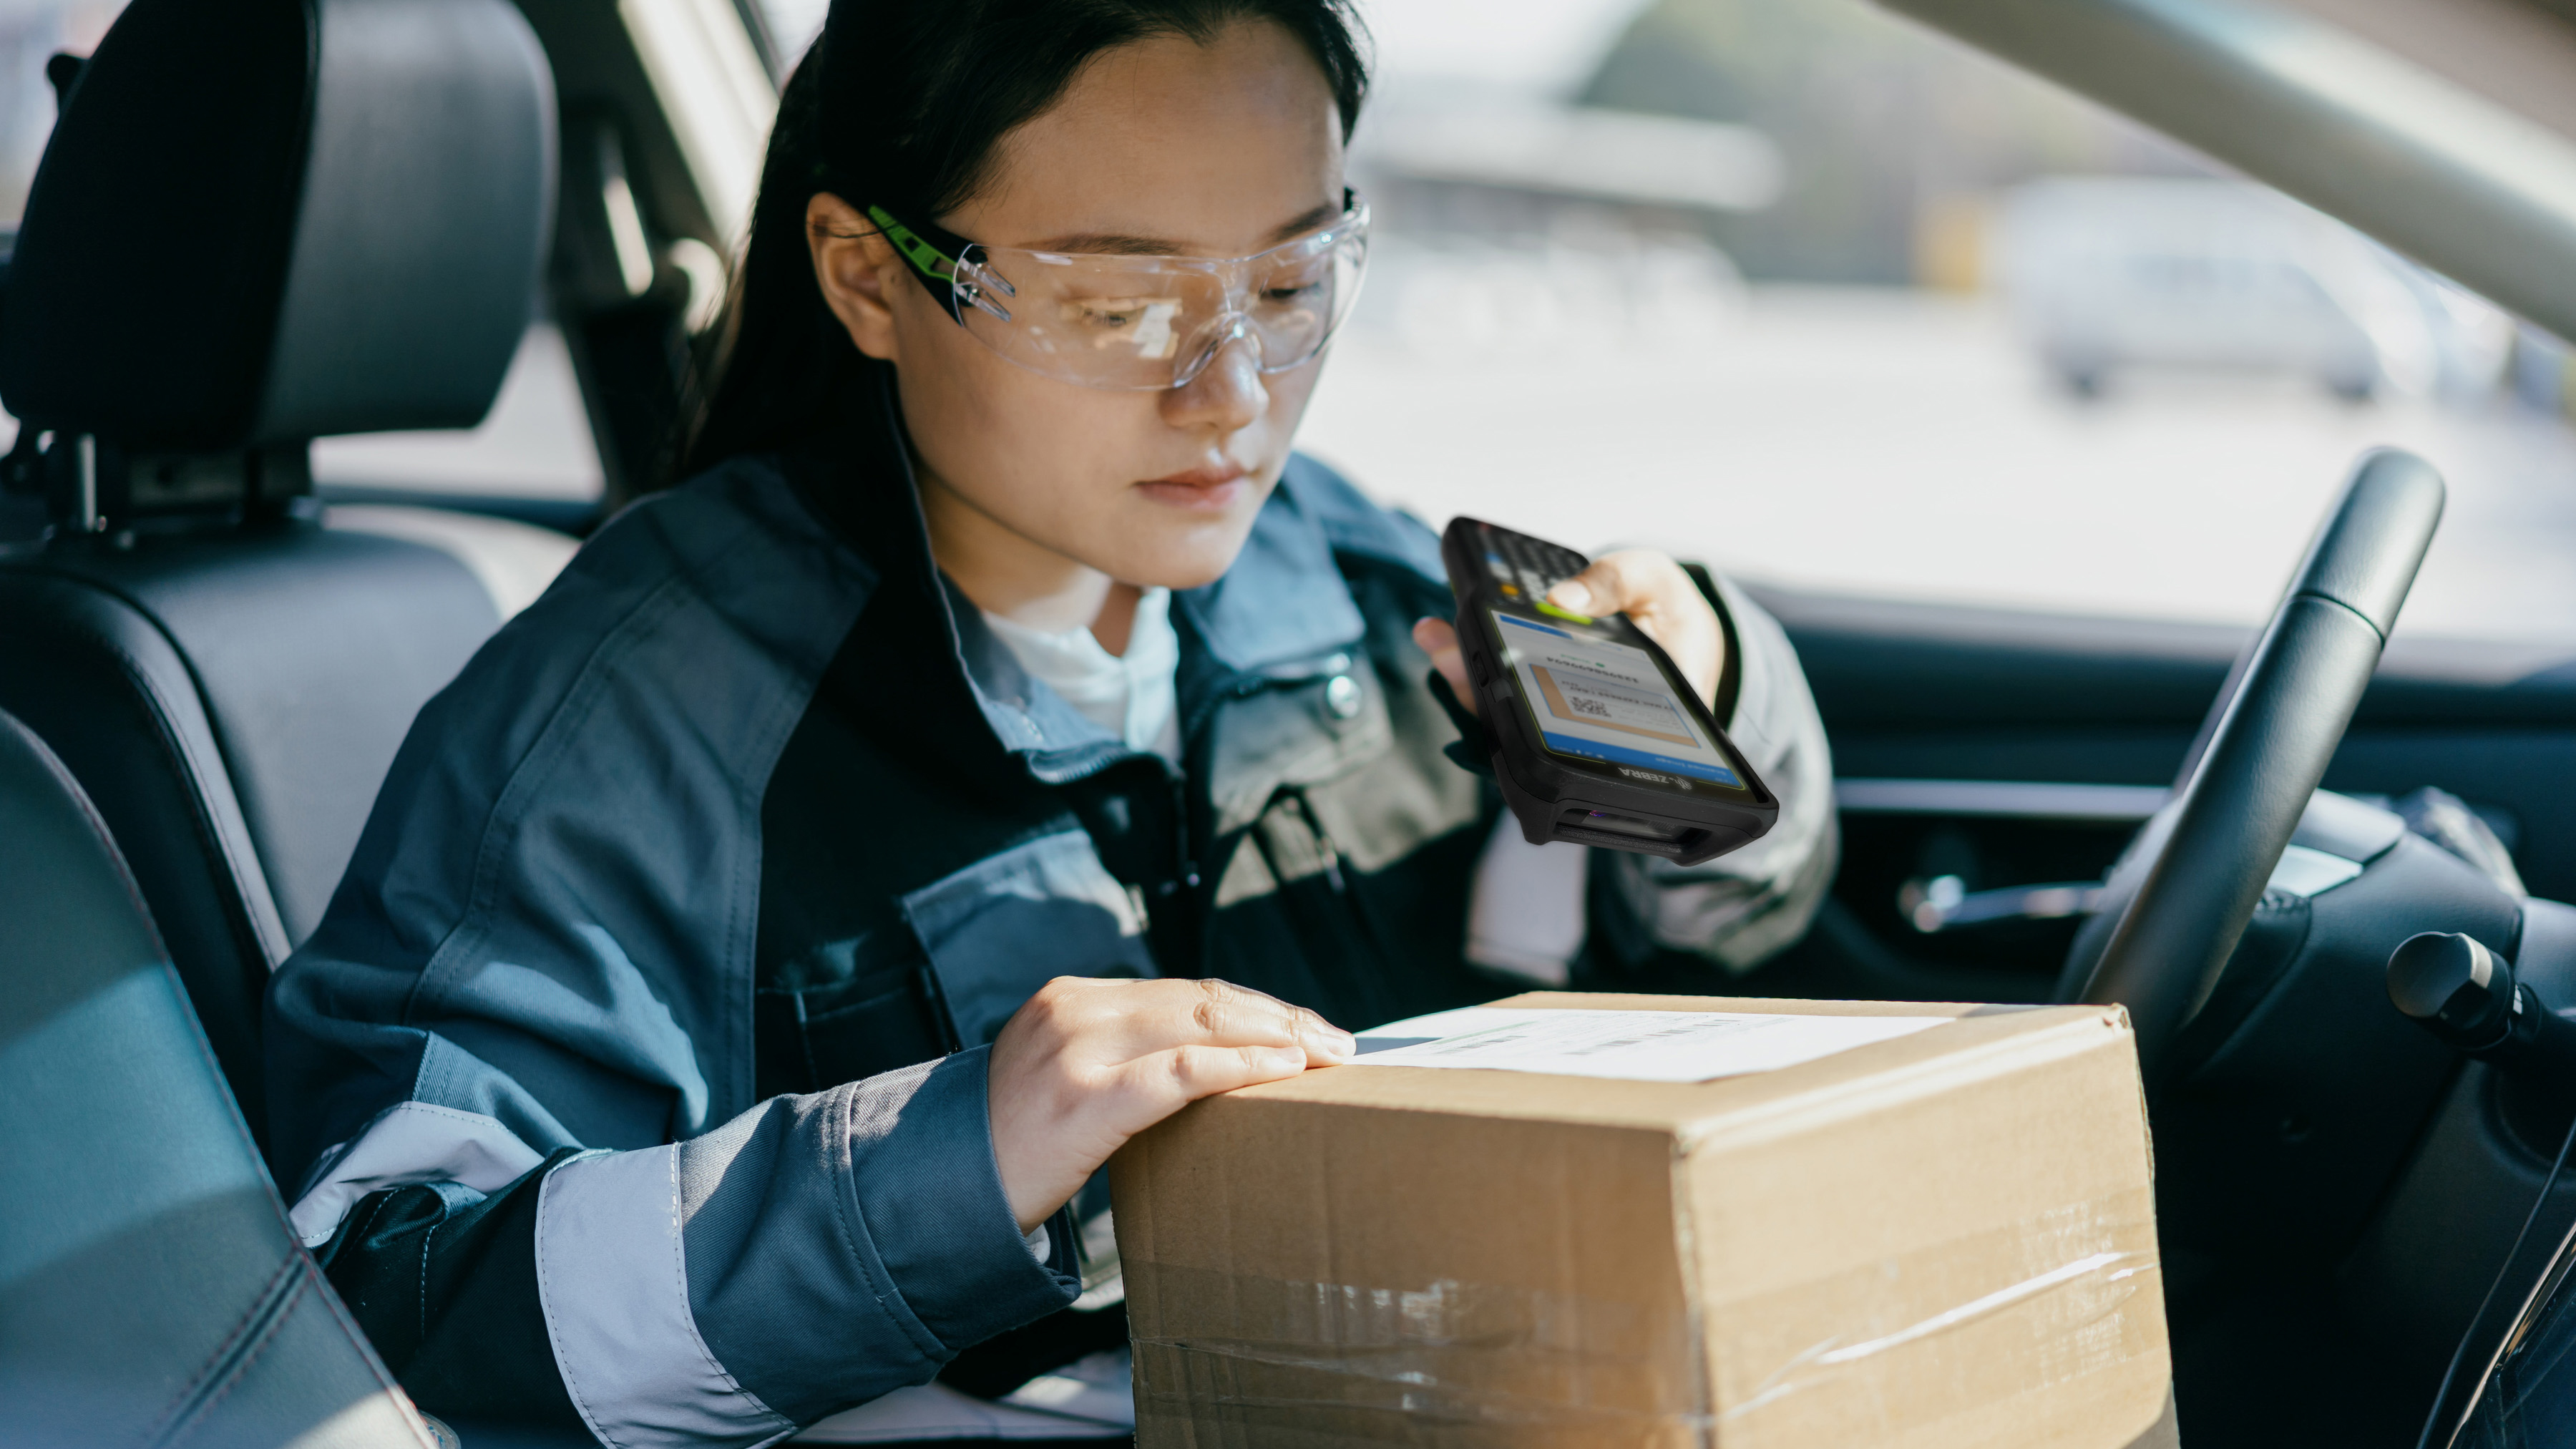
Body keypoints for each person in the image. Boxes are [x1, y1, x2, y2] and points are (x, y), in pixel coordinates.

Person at [263, 0, 1838, 1441]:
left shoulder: (1337, 568)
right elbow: (383, 1314)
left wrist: (1713, 719)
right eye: (1115, 304)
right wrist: (948, 1162)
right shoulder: (644, 723)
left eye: (1291, 283)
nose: (1232, 395)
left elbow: (1685, 938)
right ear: (870, 276)